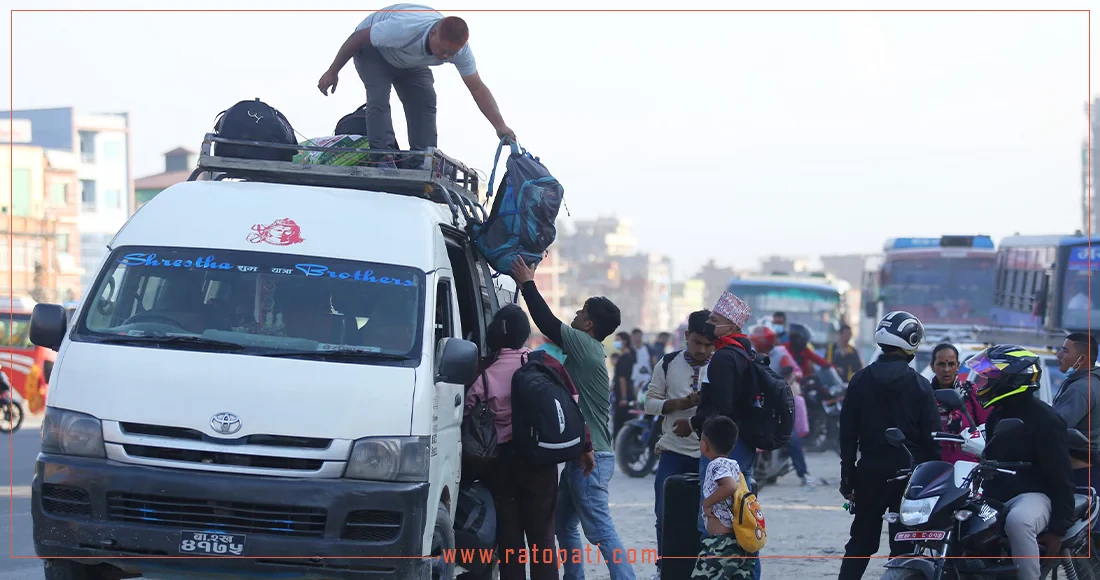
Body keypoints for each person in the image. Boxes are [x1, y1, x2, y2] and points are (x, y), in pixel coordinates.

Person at [508, 257, 635, 580]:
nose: (576, 316)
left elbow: (547, 322)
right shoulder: (590, 349)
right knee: (564, 525)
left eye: (581, 313)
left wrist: (527, 283)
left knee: (602, 531)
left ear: (589, 324)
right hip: (580, 455)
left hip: (593, 459)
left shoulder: (584, 345)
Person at [463, 305, 593, 580]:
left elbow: (465, 411)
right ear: (524, 334)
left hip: (499, 464)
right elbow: (572, 407)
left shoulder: (483, 370)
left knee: (509, 537)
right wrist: (586, 447)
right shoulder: (544, 363)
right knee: (543, 536)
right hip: (539, 461)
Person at [317, 4, 515, 169]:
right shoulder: (404, 28)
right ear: (433, 33)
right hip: (372, 50)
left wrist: (500, 126)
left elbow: (477, 88)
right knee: (379, 96)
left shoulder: (460, 51)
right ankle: (383, 156)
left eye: (451, 54)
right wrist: (333, 71)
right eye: (443, 50)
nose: (446, 57)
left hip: (409, 62)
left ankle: (422, 158)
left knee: (425, 99)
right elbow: (357, 38)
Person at [837, 311, 942, 580]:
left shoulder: (860, 380)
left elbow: (847, 435)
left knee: (860, 544)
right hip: (910, 478)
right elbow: (933, 442)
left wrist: (848, 478)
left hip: (869, 472)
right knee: (905, 547)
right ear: (912, 341)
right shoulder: (920, 386)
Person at [671, 290, 761, 580]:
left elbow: (719, 407)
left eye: (714, 319)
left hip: (724, 445)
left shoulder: (722, 358)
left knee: (712, 521)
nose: (709, 323)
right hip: (741, 443)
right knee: (742, 515)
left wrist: (695, 424)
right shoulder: (746, 352)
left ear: (732, 326)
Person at [969, 344, 1075, 580]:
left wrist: (1058, 529)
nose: (983, 382)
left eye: (990, 376)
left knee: (1019, 522)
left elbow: (1061, 477)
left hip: (1034, 496)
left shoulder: (1046, 420)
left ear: (1013, 379)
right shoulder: (997, 414)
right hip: (997, 495)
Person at [643, 310, 715, 575]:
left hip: (709, 457)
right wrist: (681, 404)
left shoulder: (720, 366)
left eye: (709, 345)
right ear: (687, 337)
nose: (703, 350)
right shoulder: (667, 363)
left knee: (706, 519)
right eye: (698, 342)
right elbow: (649, 404)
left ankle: (701, 568)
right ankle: (665, 566)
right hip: (673, 452)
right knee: (664, 515)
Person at [748, 325, 815, 487]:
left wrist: (791, 376)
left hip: (777, 403)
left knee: (790, 437)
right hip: (757, 401)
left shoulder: (780, 354)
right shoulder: (750, 355)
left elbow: (794, 372)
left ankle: (803, 472)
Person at [691, 416, 757, 580]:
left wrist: (707, 503)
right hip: (737, 542)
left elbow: (730, 486)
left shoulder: (716, 465)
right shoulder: (733, 464)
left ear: (704, 445)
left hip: (721, 544)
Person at [1053, 333, 1100, 522]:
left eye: (1065, 350)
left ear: (1082, 359)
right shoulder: (1090, 383)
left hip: (1080, 476)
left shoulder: (1081, 389)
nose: (1058, 355)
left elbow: (1055, 426)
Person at [929, 343, 989, 464]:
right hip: (934, 469)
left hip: (968, 469)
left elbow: (987, 428)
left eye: (951, 364)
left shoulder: (970, 392)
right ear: (932, 366)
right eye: (941, 364)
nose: (946, 369)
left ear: (957, 366)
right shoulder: (926, 396)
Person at [612, 331, 637, 438]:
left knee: (621, 422)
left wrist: (623, 397)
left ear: (625, 341)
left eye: (618, 340)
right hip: (628, 394)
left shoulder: (624, 358)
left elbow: (622, 379)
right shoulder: (628, 356)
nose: (616, 343)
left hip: (623, 396)